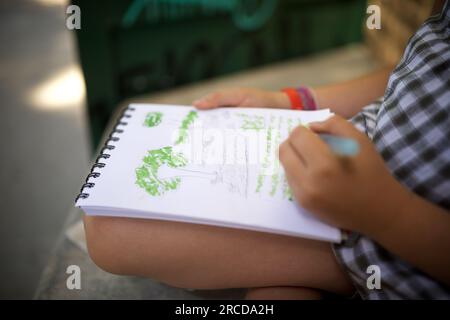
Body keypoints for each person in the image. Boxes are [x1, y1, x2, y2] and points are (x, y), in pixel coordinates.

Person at [83, 0, 450, 299]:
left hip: (387, 238)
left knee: (109, 228)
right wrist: (293, 102)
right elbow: (414, 68)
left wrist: (383, 212)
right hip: (342, 164)